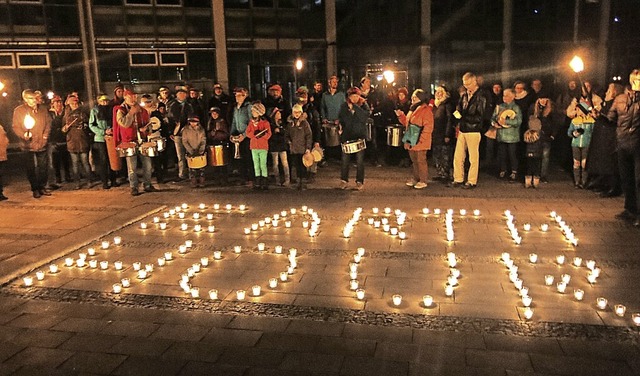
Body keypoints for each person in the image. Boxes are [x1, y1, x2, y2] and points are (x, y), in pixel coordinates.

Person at [606, 69, 640, 227]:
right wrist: (596, 113)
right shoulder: (620, 99)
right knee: (626, 178)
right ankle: (630, 209)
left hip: (638, 144)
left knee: (638, 179)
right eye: (635, 79)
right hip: (623, 143)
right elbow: (610, 119)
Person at [114, 89, 157, 196]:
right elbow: (123, 124)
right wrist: (131, 113)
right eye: (130, 97)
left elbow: (149, 124)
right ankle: (134, 187)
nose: (133, 99)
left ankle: (147, 184)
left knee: (148, 165)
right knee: (132, 167)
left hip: (142, 140)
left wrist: (147, 129)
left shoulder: (142, 109)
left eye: (134, 96)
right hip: (129, 141)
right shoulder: (121, 110)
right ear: (125, 97)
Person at [12, 89, 52, 198]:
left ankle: (42, 186)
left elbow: (48, 123)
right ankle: (35, 188)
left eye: (34, 98)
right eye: (30, 98)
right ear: (25, 99)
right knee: (31, 167)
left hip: (41, 142)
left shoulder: (42, 109)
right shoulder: (19, 111)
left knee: (43, 166)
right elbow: (16, 126)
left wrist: (45, 136)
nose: (33, 100)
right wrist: (24, 135)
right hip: (28, 145)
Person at [451, 72, 487, 189]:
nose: (466, 86)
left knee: (473, 157)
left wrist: (463, 117)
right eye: (464, 84)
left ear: (475, 82)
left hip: (474, 130)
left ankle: (472, 181)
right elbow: (459, 107)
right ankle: (458, 178)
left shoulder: (481, 96)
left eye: (468, 84)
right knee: (458, 156)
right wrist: (457, 113)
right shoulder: (464, 95)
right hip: (463, 129)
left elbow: (481, 116)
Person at [396, 89, 434, 189]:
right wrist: (401, 116)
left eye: (415, 97)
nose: (413, 99)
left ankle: (423, 180)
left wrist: (422, 139)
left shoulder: (426, 110)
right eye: (412, 97)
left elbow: (428, 127)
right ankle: (416, 178)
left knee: (421, 160)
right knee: (414, 160)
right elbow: (407, 123)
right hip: (411, 138)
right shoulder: (412, 109)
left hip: (420, 139)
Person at [338, 87, 370, 190]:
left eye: (356, 96)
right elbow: (342, 118)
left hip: (359, 135)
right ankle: (344, 180)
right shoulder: (344, 106)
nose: (354, 98)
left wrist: (355, 107)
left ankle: (359, 181)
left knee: (360, 161)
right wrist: (340, 126)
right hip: (347, 135)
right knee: (345, 160)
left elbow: (364, 117)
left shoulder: (364, 105)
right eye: (352, 96)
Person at [492, 88, 522, 183]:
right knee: (502, 154)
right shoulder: (499, 107)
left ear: (513, 97)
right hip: (501, 135)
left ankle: (514, 171)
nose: (504, 97)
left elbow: (518, 121)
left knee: (512, 154)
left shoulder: (516, 108)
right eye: (504, 95)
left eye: (507, 95)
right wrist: (494, 124)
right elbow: (493, 118)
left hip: (512, 136)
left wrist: (506, 121)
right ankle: (503, 170)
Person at [89, 94, 118, 189]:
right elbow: (92, 125)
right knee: (103, 160)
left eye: (106, 101)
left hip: (111, 138)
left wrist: (112, 130)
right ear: (99, 102)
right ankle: (105, 181)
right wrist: (103, 132)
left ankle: (113, 180)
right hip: (100, 139)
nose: (105, 103)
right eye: (103, 101)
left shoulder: (111, 110)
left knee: (112, 158)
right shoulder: (95, 111)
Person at [62, 95, 91, 189]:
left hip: (83, 140)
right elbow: (63, 129)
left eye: (76, 103)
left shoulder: (83, 113)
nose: (74, 105)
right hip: (72, 141)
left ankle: (89, 180)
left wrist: (84, 126)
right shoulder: (66, 116)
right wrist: (65, 128)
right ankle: (77, 182)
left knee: (85, 162)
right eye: (72, 103)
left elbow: (88, 125)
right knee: (75, 163)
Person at [167, 86, 194, 181]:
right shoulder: (172, 105)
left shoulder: (189, 106)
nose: (182, 95)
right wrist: (171, 132)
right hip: (177, 133)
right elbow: (169, 119)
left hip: (188, 132)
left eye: (184, 93)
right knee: (180, 155)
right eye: (180, 93)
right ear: (176, 95)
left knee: (190, 153)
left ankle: (192, 173)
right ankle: (182, 174)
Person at [529, 93, 557, 183]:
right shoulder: (533, 109)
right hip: (535, 137)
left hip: (546, 137)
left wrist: (552, 135)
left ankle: (543, 175)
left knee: (545, 157)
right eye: (541, 98)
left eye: (545, 99)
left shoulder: (551, 110)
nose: (543, 101)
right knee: (535, 156)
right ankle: (534, 174)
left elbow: (555, 124)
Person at [229, 87, 254, 186]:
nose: (237, 97)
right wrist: (232, 133)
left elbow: (251, 122)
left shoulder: (248, 106)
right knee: (240, 157)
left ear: (245, 96)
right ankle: (243, 177)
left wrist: (244, 135)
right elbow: (234, 121)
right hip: (238, 135)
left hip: (247, 136)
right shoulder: (236, 107)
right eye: (236, 95)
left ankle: (251, 178)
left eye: (239, 95)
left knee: (249, 158)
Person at [567, 103, 595, 189]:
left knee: (584, 164)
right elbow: (569, 132)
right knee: (576, 163)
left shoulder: (591, 121)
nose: (576, 111)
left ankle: (584, 181)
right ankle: (577, 181)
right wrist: (573, 133)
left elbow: (593, 133)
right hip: (575, 144)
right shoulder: (574, 121)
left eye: (578, 109)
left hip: (586, 144)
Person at [285, 104, 312, 190]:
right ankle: (298, 181)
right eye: (295, 112)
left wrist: (308, 148)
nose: (296, 114)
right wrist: (289, 142)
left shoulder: (305, 123)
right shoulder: (290, 124)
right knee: (296, 166)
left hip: (303, 149)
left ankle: (303, 182)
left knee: (303, 166)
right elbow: (286, 135)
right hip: (294, 149)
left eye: (298, 112)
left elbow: (309, 136)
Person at [432, 85, 455, 182]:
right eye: (436, 92)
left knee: (445, 154)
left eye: (440, 92)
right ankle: (440, 173)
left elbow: (449, 120)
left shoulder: (447, 105)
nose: (438, 93)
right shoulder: (436, 105)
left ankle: (446, 174)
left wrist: (447, 134)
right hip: (436, 133)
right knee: (437, 154)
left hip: (443, 132)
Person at [246, 102, 271, 190]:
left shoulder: (265, 123)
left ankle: (264, 181)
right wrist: (254, 134)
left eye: (254, 111)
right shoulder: (251, 123)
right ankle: (257, 180)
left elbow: (268, 134)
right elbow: (247, 133)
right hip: (254, 146)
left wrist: (262, 135)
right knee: (256, 164)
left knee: (263, 164)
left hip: (263, 146)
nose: (253, 113)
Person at [47, 95, 71, 188]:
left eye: (60, 102)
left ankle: (67, 175)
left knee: (65, 159)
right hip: (54, 140)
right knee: (55, 160)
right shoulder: (50, 114)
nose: (58, 104)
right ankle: (58, 177)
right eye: (56, 102)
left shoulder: (65, 113)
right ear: (52, 104)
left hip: (64, 138)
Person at [205, 106, 229, 185]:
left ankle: (224, 179)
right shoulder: (210, 122)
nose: (214, 115)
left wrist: (217, 134)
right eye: (213, 113)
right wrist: (210, 135)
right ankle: (217, 179)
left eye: (215, 113)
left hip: (221, 143)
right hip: (213, 143)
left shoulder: (222, 122)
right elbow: (207, 132)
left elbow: (226, 133)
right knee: (215, 163)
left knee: (223, 163)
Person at [182, 115, 207, 188]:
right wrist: (190, 150)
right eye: (191, 122)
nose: (193, 123)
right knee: (192, 168)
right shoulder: (186, 130)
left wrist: (201, 150)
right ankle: (193, 181)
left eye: (195, 122)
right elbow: (184, 141)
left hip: (200, 151)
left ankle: (202, 181)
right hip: (190, 151)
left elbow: (203, 140)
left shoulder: (201, 130)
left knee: (201, 168)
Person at [268, 108, 290, 187]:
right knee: (275, 163)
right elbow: (270, 135)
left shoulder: (283, 124)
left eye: (279, 114)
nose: (279, 115)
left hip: (282, 145)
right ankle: (277, 180)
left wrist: (280, 131)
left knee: (285, 163)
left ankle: (287, 180)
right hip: (274, 146)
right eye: (277, 114)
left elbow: (285, 132)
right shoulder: (271, 125)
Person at [523, 114, 543, 188]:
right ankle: (535, 182)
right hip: (537, 154)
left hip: (528, 153)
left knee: (529, 167)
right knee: (536, 167)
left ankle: (527, 181)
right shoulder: (539, 134)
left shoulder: (527, 134)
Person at [0, 125, 8, 200]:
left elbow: (4, 140)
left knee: (1, 175)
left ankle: (0, 192)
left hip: (1, 155)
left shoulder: (0, 128)